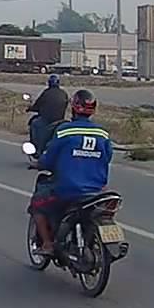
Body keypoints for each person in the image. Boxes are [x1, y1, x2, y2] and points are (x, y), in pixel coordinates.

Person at [28, 90, 112, 256]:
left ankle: (47, 244)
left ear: (73, 107)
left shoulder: (65, 131)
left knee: (37, 205)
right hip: (97, 190)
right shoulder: (103, 133)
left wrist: (39, 164)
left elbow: (48, 159)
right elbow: (107, 157)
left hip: (67, 189)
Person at [27, 74, 69, 150]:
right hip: (60, 120)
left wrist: (30, 108)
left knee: (34, 123)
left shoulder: (46, 93)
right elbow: (66, 104)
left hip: (46, 120)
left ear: (49, 83)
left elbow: (37, 104)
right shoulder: (63, 93)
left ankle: (35, 147)